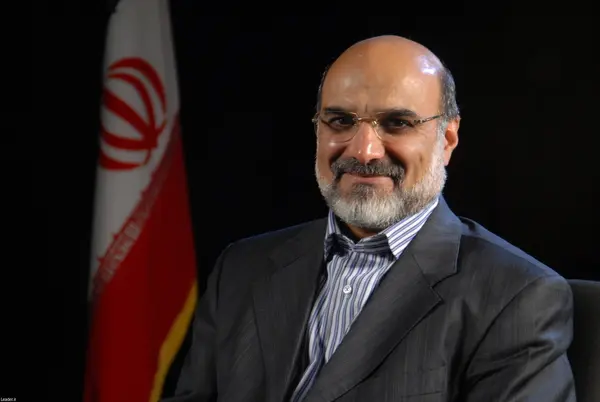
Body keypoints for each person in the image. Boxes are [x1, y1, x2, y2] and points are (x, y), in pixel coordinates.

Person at [164, 35, 575, 402]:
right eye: (341, 121)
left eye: (398, 123)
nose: (364, 151)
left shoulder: (516, 296)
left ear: (448, 138)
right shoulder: (241, 268)